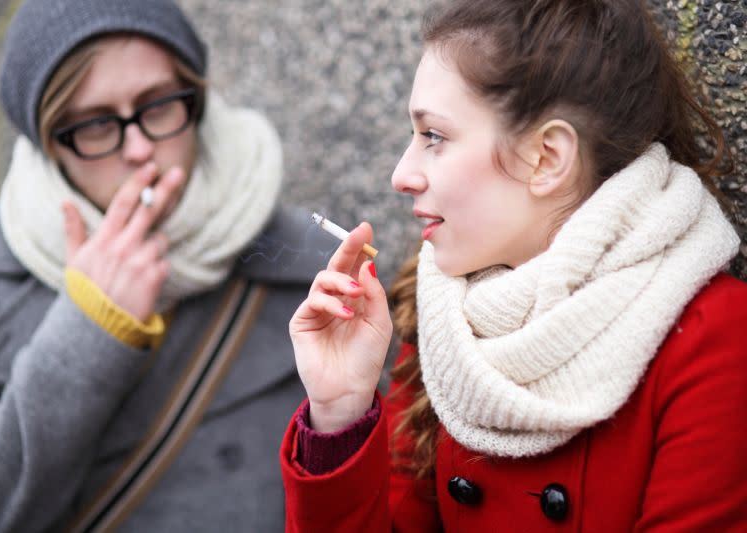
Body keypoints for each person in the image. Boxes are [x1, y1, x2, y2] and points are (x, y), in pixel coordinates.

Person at [281, 0, 747, 531]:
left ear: (547, 158)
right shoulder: (443, 307)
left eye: (433, 136)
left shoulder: (712, 338)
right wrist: (340, 409)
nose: (401, 175)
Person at [0, 0, 333, 531]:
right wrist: (87, 333)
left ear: (195, 101)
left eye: (157, 107)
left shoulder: (308, 267)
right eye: (96, 124)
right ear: (48, 145)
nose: (137, 149)